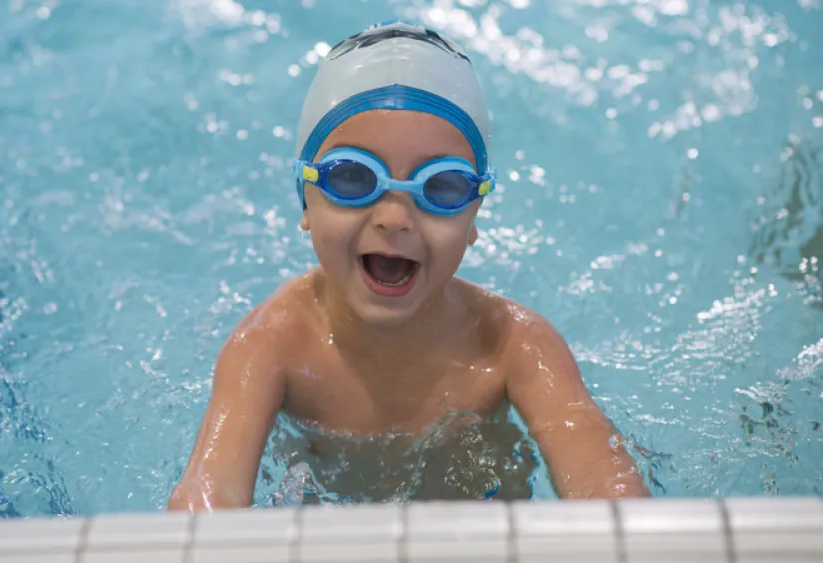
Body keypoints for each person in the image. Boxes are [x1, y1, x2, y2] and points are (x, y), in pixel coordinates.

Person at [168, 20, 649, 511]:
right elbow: (208, 498)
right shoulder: (270, 345)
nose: (395, 218)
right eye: (352, 178)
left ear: (474, 216)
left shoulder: (514, 345)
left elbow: (602, 480)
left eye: (442, 187)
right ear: (306, 203)